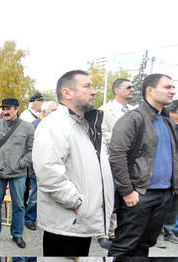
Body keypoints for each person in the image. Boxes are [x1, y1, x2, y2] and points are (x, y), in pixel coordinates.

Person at [33, 70, 113, 257]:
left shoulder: (83, 124)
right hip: (67, 222)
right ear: (67, 93)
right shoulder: (55, 124)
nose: (93, 91)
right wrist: (78, 204)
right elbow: (48, 172)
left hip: (79, 219)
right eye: (87, 86)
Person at [108, 74, 178, 260]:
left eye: (173, 87)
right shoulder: (133, 118)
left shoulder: (167, 120)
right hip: (139, 194)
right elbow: (117, 155)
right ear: (150, 90)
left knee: (145, 245)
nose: (173, 91)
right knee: (125, 246)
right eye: (168, 87)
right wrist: (127, 191)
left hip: (164, 195)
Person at [95, 78, 136, 249]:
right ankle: (104, 232)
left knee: (126, 194)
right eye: (128, 87)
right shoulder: (104, 110)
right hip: (112, 158)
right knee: (108, 196)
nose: (132, 89)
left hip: (132, 161)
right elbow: (101, 134)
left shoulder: (135, 110)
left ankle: (120, 231)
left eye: (133, 87)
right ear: (117, 90)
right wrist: (124, 142)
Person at [0, 98, 34, 248]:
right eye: (3, 108)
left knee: (19, 205)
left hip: (18, 174)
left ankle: (17, 234)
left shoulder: (27, 128)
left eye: (9, 109)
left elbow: (32, 150)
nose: (5, 111)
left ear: (17, 109)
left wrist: (20, 164)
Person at [24, 101, 57, 232]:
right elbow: (31, 149)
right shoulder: (35, 126)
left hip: (50, 165)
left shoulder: (54, 124)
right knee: (35, 196)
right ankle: (29, 219)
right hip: (36, 167)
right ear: (44, 112)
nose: (56, 113)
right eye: (53, 110)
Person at [155, 99, 178, 248]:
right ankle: (157, 234)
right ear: (172, 113)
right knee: (162, 205)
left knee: (174, 204)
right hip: (166, 171)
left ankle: (169, 231)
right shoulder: (165, 127)